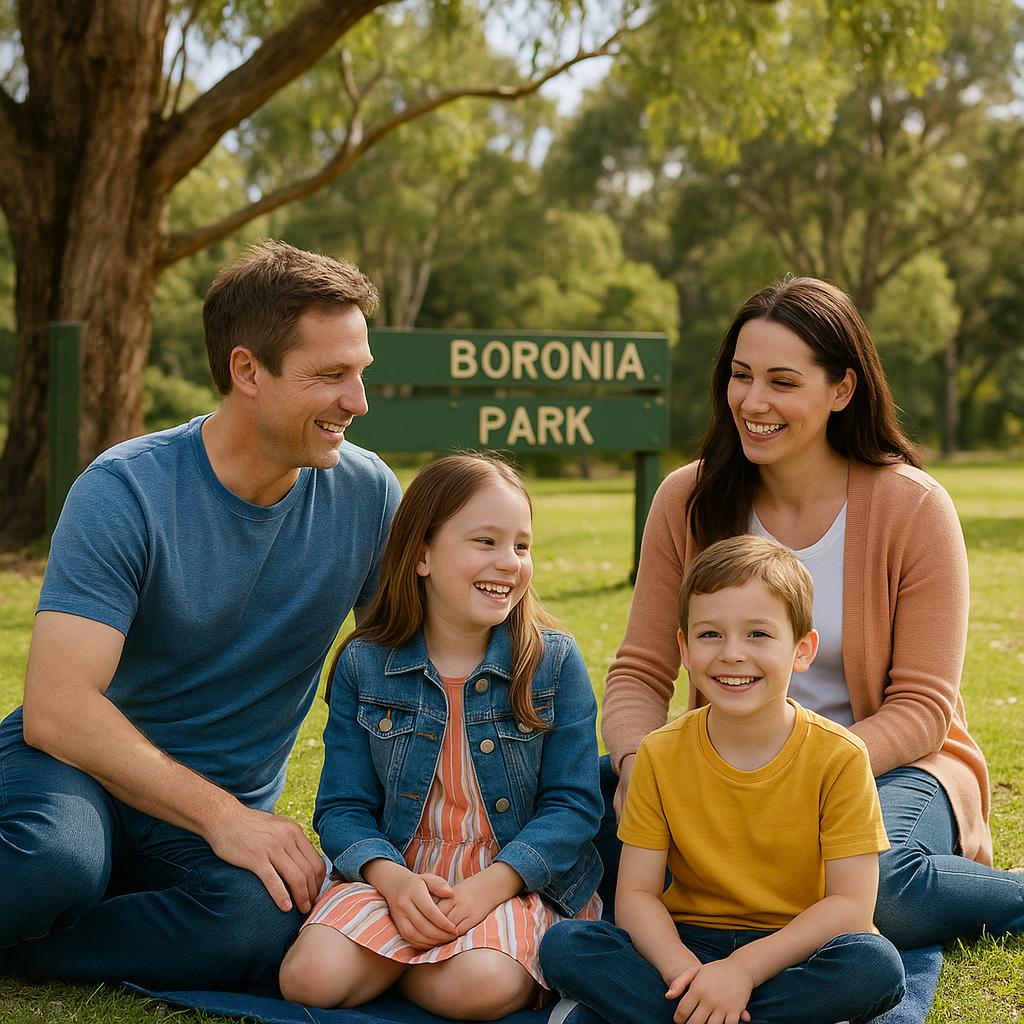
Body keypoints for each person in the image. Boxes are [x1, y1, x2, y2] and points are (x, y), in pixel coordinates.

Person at [597, 279, 1022, 992]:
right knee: (597, 822)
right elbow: (641, 671)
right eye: (740, 374)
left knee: (878, 889)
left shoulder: (912, 507)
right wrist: (643, 765)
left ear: (842, 388)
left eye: (782, 381)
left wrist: (794, 776)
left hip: (887, 763)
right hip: (724, 761)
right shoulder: (687, 500)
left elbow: (921, 709)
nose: (752, 401)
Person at [0, 241, 401, 991]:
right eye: (330, 376)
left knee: (259, 920)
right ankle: (59, 894)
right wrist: (224, 818)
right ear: (248, 371)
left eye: (360, 372)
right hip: (76, 771)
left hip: (202, 822)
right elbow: (56, 710)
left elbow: (415, 664)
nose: (358, 401)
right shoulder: (125, 490)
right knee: (53, 863)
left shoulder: (369, 495)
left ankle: (28, 952)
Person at [278, 454, 604, 1019]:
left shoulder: (552, 662)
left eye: (521, 546)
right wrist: (394, 882)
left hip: (515, 877)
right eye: (485, 542)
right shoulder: (365, 664)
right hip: (401, 871)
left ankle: (409, 967)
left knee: (478, 988)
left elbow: (573, 807)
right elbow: (342, 807)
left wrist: (489, 888)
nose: (509, 563)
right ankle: (410, 958)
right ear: (422, 554)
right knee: (307, 979)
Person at [541, 534, 907, 1024]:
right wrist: (686, 974)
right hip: (688, 943)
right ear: (685, 649)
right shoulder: (658, 753)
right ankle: (707, 1010)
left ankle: (683, 1015)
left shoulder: (840, 756)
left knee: (874, 968)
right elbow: (636, 896)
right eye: (710, 634)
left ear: (802, 649)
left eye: (758, 634)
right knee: (567, 945)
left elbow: (848, 904)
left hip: (793, 947)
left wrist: (742, 971)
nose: (733, 654)